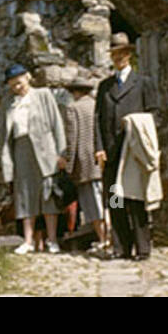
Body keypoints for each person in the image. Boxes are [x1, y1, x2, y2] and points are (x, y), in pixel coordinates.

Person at [95, 32, 159, 261]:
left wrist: (138, 129)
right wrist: (99, 147)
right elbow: (98, 119)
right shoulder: (104, 87)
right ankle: (121, 247)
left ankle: (142, 248)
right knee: (115, 199)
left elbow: (154, 115)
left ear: (129, 55)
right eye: (114, 54)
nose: (118, 58)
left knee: (135, 200)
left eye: (122, 53)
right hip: (111, 152)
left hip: (133, 152)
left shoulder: (143, 84)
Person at [0, 63, 66, 255]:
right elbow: (5, 135)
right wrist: (4, 162)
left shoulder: (43, 95)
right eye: (12, 85)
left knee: (48, 194)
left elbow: (56, 124)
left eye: (19, 82)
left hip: (45, 150)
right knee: (24, 194)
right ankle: (28, 241)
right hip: (21, 149)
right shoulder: (9, 104)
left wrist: (61, 153)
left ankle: (52, 240)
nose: (17, 87)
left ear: (27, 77)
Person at [58, 74, 109, 252]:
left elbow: (72, 140)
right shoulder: (99, 105)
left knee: (92, 204)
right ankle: (116, 236)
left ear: (74, 92)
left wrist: (69, 165)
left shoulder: (73, 109)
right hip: (104, 160)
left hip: (86, 163)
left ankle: (104, 239)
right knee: (112, 199)